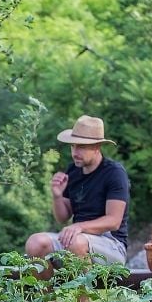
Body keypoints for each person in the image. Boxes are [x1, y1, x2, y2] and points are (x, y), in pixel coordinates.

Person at [25, 115, 129, 277]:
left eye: (81, 147)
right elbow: (62, 218)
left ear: (97, 147)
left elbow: (114, 221)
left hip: (111, 245)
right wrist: (57, 196)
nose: (75, 152)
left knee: (75, 241)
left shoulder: (114, 173)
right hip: (77, 241)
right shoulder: (73, 171)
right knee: (35, 242)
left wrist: (79, 227)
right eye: (73, 146)